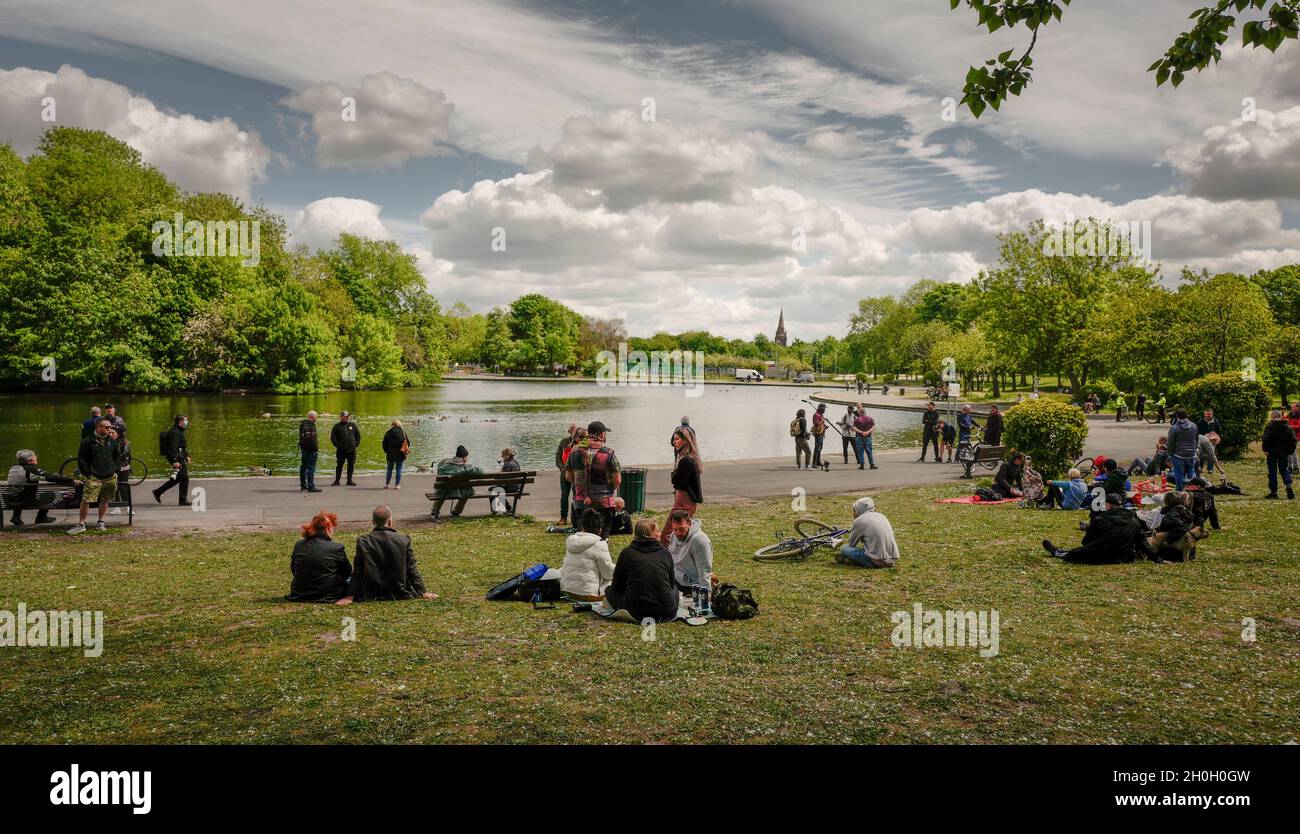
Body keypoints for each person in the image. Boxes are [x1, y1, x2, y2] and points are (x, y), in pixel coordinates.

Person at [337, 506, 437, 604]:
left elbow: (358, 570)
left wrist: (350, 595)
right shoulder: (403, 540)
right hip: (398, 592)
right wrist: (422, 591)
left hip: (372, 592)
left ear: (373, 522)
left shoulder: (363, 541)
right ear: (390, 522)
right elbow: (411, 569)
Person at [1041, 493, 1156, 564]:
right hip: (1124, 556)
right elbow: (1142, 542)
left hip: (1103, 556)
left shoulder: (1101, 519)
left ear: (1108, 505)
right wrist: (1157, 559)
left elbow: (1086, 541)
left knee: (1076, 553)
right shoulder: (1134, 519)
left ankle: (1058, 552)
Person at [605, 518, 679, 622]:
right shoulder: (665, 553)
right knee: (675, 588)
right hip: (667, 612)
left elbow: (617, 586)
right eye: (657, 531)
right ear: (651, 534)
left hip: (635, 612)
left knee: (608, 590)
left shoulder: (627, 554)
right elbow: (671, 584)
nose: (660, 533)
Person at [567, 421, 621, 538]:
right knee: (602, 537)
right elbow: (617, 480)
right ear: (602, 435)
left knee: (583, 536)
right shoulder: (609, 453)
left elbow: (568, 476)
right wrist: (609, 490)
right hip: (604, 502)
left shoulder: (574, 451)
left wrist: (580, 486)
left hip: (581, 501)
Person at [69, 418, 122, 534]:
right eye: (107, 427)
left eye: (110, 427)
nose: (109, 429)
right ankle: (82, 524)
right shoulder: (87, 441)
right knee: (86, 500)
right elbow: (81, 459)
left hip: (110, 477)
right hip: (93, 477)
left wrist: (116, 471)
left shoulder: (112, 441)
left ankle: (101, 522)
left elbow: (117, 457)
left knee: (105, 499)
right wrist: (88, 474)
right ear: (98, 427)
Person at [286, 511, 352, 602]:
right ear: (328, 528)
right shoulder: (336, 547)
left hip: (300, 593)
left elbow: (294, 570)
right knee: (352, 578)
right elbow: (347, 573)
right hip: (328, 594)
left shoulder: (299, 545)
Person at [6, 450, 74, 526]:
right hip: (25, 501)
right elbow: (50, 477)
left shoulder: (13, 468)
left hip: (8, 500)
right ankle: (41, 518)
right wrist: (71, 480)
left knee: (18, 492)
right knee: (49, 494)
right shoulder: (31, 469)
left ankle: (16, 517)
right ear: (30, 460)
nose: (36, 457)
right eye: (35, 456)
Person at [560, 508, 615, 601]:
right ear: (600, 529)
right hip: (587, 593)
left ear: (582, 527)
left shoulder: (571, 540)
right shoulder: (599, 544)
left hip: (567, 589)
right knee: (613, 578)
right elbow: (608, 574)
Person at [662, 427, 703, 546]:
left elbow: (678, 482)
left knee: (668, 532)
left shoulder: (687, 460)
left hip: (684, 502)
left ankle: (665, 556)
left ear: (685, 441)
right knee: (680, 531)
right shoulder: (683, 456)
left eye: (677, 439)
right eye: (673, 439)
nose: (674, 442)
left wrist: (674, 475)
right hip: (684, 500)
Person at [838, 496, 900, 568]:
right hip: (892, 560)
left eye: (855, 510)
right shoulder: (882, 516)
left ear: (860, 509)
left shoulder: (860, 520)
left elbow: (851, 544)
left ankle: (873, 561)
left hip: (876, 561)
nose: (854, 514)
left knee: (844, 548)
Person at [665, 507, 715, 591]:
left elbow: (704, 571)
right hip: (675, 578)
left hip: (691, 586)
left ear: (689, 523)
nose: (678, 533)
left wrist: (706, 597)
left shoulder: (700, 541)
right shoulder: (674, 535)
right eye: (675, 529)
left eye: (681, 529)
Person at [432, 445, 484, 521]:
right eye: (467, 457)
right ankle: (456, 511)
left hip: (442, 491)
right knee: (468, 491)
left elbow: (439, 470)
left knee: (444, 488)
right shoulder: (466, 467)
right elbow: (481, 472)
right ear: (464, 458)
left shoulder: (443, 463)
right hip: (458, 492)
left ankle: (434, 511)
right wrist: (467, 464)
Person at [152, 415, 191, 506]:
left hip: (178, 456)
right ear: (180, 422)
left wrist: (186, 456)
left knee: (179, 478)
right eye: (185, 420)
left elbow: (180, 447)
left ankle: (158, 492)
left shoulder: (179, 431)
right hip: (175, 457)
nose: (187, 422)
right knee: (184, 478)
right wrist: (175, 461)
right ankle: (182, 500)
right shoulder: (175, 432)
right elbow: (172, 448)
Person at [1262, 409, 1296, 500]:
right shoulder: (1288, 427)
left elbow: (1266, 439)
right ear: (1280, 417)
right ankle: (1288, 485)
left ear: (1272, 417)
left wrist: (1265, 449)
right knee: (1284, 470)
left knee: (1272, 472)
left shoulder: (1270, 426)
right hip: (1284, 452)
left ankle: (1273, 492)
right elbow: (1293, 440)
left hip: (1272, 452)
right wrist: (1290, 451)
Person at [1166, 409, 1199, 490]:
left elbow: (1170, 442)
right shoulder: (1194, 426)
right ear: (1187, 415)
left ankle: (1180, 491)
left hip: (1178, 454)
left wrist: (1170, 453)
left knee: (1179, 474)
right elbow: (1196, 439)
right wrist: (1193, 449)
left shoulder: (1174, 428)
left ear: (1177, 416)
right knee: (1191, 472)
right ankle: (1194, 489)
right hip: (1191, 454)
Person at [329, 411, 361, 486]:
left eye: (348, 416)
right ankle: (337, 480)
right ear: (341, 417)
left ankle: (349, 480)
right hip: (341, 450)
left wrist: (356, 444)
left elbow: (358, 436)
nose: (347, 418)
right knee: (339, 465)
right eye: (346, 416)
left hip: (352, 450)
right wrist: (337, 445)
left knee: (351, 465)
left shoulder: (352, 425)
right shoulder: (337, 426)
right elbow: (333, 438)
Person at [555, 423, 578, 526]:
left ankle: (576, 518)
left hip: (576, 474)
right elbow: (558, 457)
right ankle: (563, 517)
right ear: (569, 431)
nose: (574, 432)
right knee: (564, 495)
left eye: (575, 430)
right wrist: (562, 467)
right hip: (564, 473)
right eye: (572, 430)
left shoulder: (580, 443)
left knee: (576, 496)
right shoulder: (564, 442)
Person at [381, 419, 410, 490]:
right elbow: (408, 443)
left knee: (389, 469)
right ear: (399, 424)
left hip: (390, 454)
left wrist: (386, 451)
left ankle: (387, 484)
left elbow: (384, 444)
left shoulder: (388, 433)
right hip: (400, 454)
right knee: (399, 470)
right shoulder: (403, 432)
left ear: (392, 425)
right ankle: (397, 485)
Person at [298, 410, 321, 493]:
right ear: (313, 417)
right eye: (316, 417)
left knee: (303, 467)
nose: (316, 418)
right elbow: (313, 440)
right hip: (311, 450)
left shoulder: (302, 424)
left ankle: (303, 485)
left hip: (303, 449)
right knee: (311, 468)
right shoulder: (312, 425)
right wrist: (316, 449)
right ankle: (311, 486)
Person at [852, 404, 878, 470]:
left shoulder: (857, 420)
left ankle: (862, 465)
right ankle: (872, 464)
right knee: (869, 451)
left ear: (859, 413)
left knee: (860, 451)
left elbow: (854, 428)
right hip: (868, 437)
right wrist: (868, 432)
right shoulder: (870, 419)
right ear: (865, 412)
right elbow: (874, 427)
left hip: (859, 437)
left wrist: (862, 432)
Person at [810, 403, 828, 468]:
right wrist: (822, 420)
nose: (825, 410)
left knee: (820, 448)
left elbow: (821, 423)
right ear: (821, 408)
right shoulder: (816, 415)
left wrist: (825, 426)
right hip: (818, 434)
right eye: (824, 409)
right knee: (817, 448)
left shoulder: (820, 415)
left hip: (821, 433)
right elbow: (816, 424)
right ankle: (814, 463)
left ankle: (818, 462)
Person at [1287, 403, 1300, 477]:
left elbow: (1299, 426)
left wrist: (1290, 426)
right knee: (1288, 451)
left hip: (1295, 437)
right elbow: (1284, 419)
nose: (1291, 408)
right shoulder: (1290, 414)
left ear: (1297, 408)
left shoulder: (1299, 416)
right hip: (1288, 436)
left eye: (1293, 407)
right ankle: (1290, 467)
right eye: (1291, 407)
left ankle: (1296, 468)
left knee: (1292, 452)